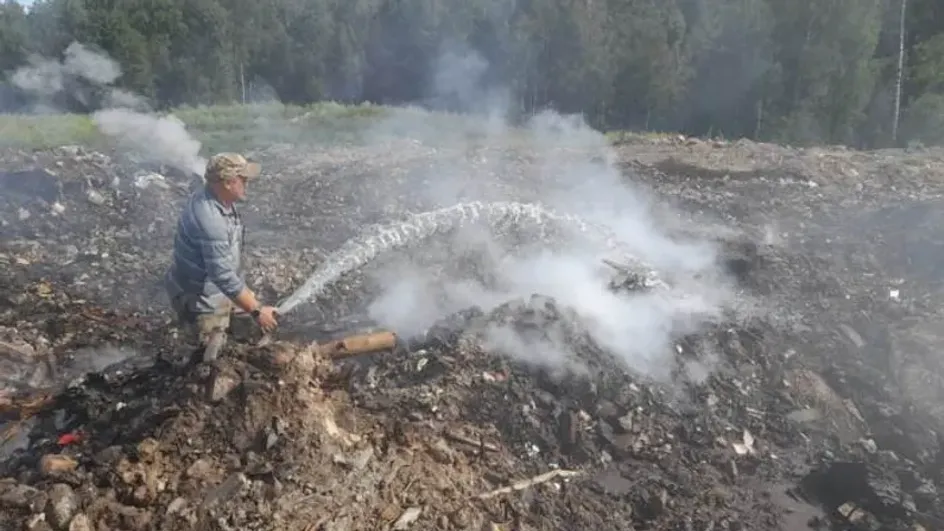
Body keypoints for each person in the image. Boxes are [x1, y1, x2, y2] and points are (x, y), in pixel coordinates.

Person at [164, 152, 279, 362]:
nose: (247, 184)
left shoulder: (220, 200)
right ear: (227, 182)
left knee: (248, 332)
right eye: (243, 180)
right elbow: (221, 274)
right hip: (202, 299)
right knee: (209, 361)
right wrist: (257, 310)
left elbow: (224, 265)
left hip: (217, 289)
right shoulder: (210, 219)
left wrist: (244, 294)